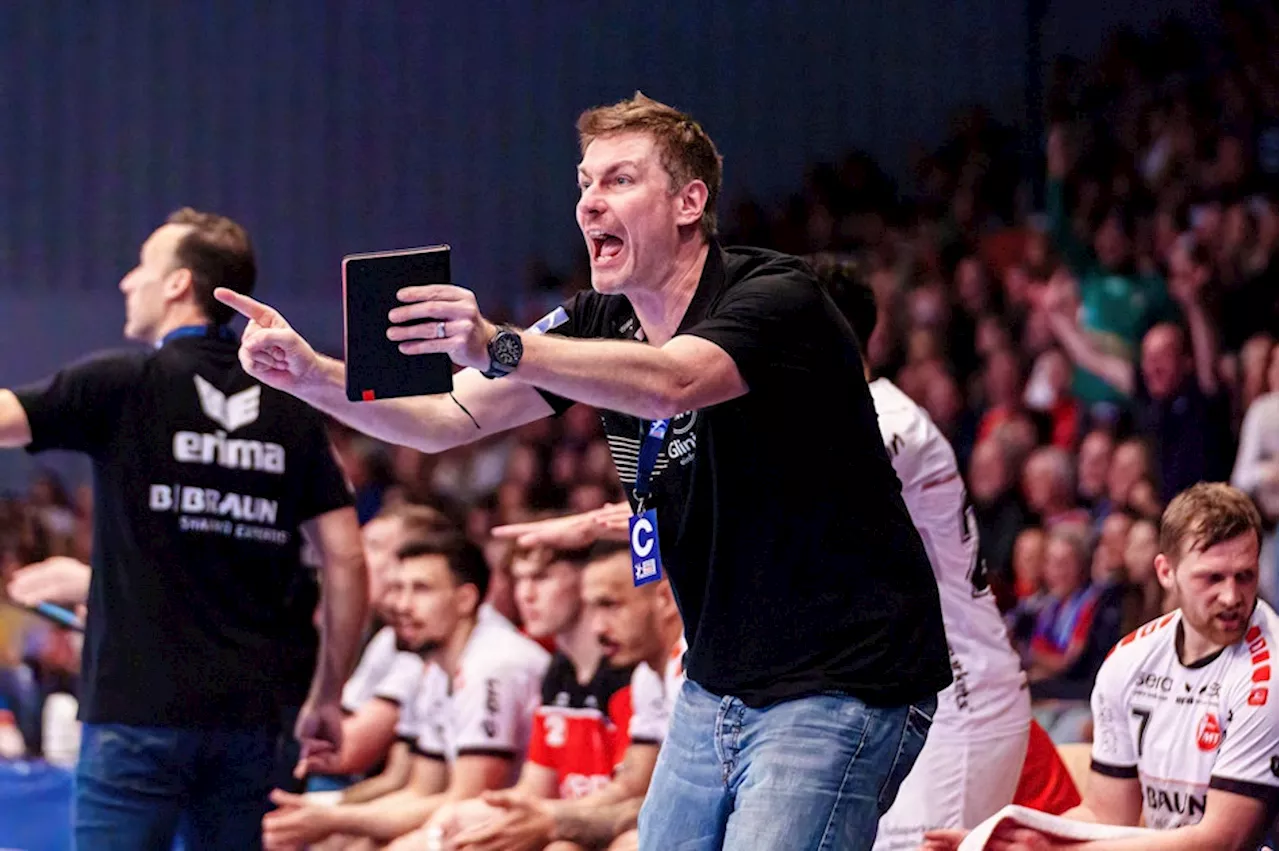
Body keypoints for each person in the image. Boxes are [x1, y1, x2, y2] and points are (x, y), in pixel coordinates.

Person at [217, 90, 950, 851]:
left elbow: (673, 381)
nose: (591, 203)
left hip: (840, 679)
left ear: (690, 201)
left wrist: (500, 343)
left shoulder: (778, 295)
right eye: (584, 183)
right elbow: (442, 419)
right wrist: (308, 375)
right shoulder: (598, 320)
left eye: (619, 181)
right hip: (716, 686)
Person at [0, 208, 369, 849]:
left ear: (177, 284)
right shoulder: (292, 408)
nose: (125, 282)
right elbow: (346, 558)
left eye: (141, 265)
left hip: (135, 715)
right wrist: (328, 695)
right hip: (253, 721)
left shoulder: (122, 382)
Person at [923, 482, 1280, 851]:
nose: (1232, 596)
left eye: (1245, 576)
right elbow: (1107, 817)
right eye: (1212, 577)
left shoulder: (1270, 674)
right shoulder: (1130, 659)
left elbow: (1222, 841)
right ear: (1165, 572)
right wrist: (992, 842)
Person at [815, 257, 1032, 848]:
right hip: (906, 695)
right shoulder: (844, 420)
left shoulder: (892, 420)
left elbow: (823, 489)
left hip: (961, 694)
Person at [263, 530, 551, 849]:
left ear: (465, 599)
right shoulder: (433, 668)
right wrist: (328, 815)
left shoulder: (493, 665)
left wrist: (333, 818)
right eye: (398, 588)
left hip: (517, 826)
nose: (401, 604)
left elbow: (468, 802)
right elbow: (420, 790)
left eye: (421, 589)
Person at [422, 538, 686, 851]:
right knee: (461, 820)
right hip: (626, 815)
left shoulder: (681, 672)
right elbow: (630, 786)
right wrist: (544, 815)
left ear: (665, 600)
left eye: (610, 605)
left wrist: (554, 819)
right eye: (518, 579)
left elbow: (671, 805)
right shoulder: (643, 677)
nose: (526, 594)